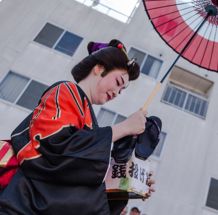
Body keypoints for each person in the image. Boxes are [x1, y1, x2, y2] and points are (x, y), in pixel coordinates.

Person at [0, 39, 155, 215]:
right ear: (99, 68)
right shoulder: (66, 90)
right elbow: (56, 146)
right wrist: (123, 128)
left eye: (121, 90)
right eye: (118, 82)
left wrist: (128, 181)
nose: (117, 93)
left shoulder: (91, 120)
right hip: (24, 204)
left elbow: (79, 177)